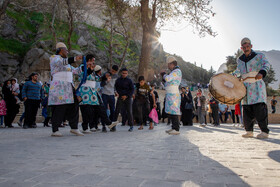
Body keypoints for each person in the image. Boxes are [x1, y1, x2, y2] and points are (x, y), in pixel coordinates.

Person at [233, 37, 270, 139]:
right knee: (246, 109)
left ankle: (264, 131)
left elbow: (266, 64)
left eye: (247, 46)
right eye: (244, 47)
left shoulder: (259, 56)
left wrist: (262, 72)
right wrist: (232, 76)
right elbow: (238, 70)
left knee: (259, 109)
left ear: (251, 46)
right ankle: (249, 131)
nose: (246, 48)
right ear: (241, 48)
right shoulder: (239, 60)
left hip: (256, 84)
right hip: (245, 87)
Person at [48, 42, 84, 137]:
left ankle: (74, 127)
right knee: (59, 107)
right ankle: (55, 129)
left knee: (74, 106)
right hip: (59, 86)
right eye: (66, 50)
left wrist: (86, 67)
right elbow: (60, 63)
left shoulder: (67, 64)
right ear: (60, 50)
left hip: (69, 86)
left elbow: (75, 70)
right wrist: (75, 58)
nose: (67, 52)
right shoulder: (54, 58)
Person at [161, 56, 182, 135]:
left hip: (173, 94)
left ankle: (176, 129)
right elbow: (168, 81)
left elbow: (168, 79)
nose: (168, 66)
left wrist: (164, 75)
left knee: (174, 111)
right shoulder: (174, 71)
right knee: (171, 111)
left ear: (172, 64)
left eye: (168, 65)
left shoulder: (177, 71)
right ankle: (173, 127)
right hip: (170, 93)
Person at [109, 68, 134, 132]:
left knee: (129, 112)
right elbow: (116, 88)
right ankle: (113, 126)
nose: (124, 74)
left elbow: (132, 90)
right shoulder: (118, 80)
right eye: (123, 73)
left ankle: (131, 126)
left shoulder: (129, 81)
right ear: (121, 73)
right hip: (120, 97)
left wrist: (127, 96)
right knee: (116, 111)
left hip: (128, 98)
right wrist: (118, 93)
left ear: (127, 73)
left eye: (125, 73)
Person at [101, 65, 119, 130]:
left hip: (111, 94)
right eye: (112, 70)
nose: (112, 72)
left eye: (114, 71)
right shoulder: (105, 74)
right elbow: (101, 84)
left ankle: (112, 125)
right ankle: (104, 125)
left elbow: (116, 86)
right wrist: (106, 80)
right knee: (104, 110)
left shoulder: (116, 77)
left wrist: (116, 91)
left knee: (112, 110)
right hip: (104, 93)